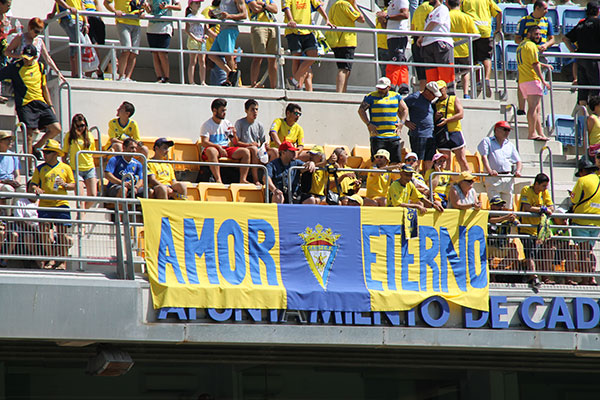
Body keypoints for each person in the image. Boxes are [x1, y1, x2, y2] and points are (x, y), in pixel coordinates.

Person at [0, 45, 62, 161]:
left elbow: (44, 87)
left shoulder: (40, 67)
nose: (26, 60)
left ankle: (37, 147)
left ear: (34, 57)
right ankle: (29, 166)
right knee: (28, 135)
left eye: (28, 58)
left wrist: (50, 105)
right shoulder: (15, 67)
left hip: (40, 102)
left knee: (56, 128)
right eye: (24, 57)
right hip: (25, 104)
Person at [30, 139, 76, 270]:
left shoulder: (65, 168)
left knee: (62, 234)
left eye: (48, 152)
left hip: (61, 204)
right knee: (44, 233)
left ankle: (62, 261)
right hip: (45, 204)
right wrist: (36, 188)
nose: (45, 155)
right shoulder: (40, 168)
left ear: (56, 154)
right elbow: (33, 184)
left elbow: (73, 185)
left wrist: (65, 185)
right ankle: (50, 258)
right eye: (44, 152)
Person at [283, 0, 334, 90]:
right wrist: (291, 20)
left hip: (308, 30)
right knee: (297, 58)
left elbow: (318, 5)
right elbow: (286, 7)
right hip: (293, 30)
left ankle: (294, 81)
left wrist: (327, 19)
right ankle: (296, 85)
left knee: (313, 55)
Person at [515, 0, 555, 114]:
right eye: (545, 9)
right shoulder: (524, 20)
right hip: (528, 53)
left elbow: (552, 39)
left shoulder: (547, 22)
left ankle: (537, 108)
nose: (547, 11)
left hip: (541, 55)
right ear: (537, 8)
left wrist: (546, 45)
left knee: (538, 82)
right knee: (521, 80)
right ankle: (521, 108)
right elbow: (517, 38)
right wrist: (530, 45)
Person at [358, 77, 409, 164]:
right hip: (377, 136)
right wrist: (368, 123)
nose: (380, 90)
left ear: (389, 87)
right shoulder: (370, 97)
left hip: (393, 135)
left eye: (383, 88)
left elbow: (405, 109)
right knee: (377, 162)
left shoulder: (396, 96)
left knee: (395, 161)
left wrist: (402, 123)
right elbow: (361, 110)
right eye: (379, 88)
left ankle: (392, 177)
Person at [199, 98, 251, 183]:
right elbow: (204, 142)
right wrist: (218, 147)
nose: (224, 113)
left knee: (245, 152)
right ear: (215, 110)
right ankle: (218, 179)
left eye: (225, 110)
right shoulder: (207, 125)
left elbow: (234, 142)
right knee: (212, 151)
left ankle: (243, 179)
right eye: (222, 110)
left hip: (225, 148)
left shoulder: (227, 123)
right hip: (212, 148)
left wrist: (234, 134)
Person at [518, 173, 554, 288]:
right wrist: (542, 209)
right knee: (530, 253)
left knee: (535, 253)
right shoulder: (526, 190)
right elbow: (527, 207)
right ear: (536, 184)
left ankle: (529, 275)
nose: (545, 188)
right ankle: (534, 277)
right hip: (525, 227)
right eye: (543, 186)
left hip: (539, 229)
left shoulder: (545, 193)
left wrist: (546, 209)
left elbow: (551, 207)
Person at [517, 25, 552, 141]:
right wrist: (543, 81)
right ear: (528, 34)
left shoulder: (521, 45)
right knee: (533, 108)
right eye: (535, 34)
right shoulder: (531, 46)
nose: (538, 36)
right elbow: (534, 64)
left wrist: (544, 65)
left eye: (539, 34)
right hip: (532, 79)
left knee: (537, 108)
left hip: (523, 81)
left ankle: (540, 133)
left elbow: (530, 61)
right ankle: (532, 133)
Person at [460, 0, 501, 97]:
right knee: (486, 57)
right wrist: (498, 29)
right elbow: (499, 12)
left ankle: (478, 82)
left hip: (472, 32)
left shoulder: (465, 1)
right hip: (485, 31)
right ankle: (486, 79)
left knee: (474, 59)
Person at [4, 17, 65, 82]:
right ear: (30, 28)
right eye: (36, 31)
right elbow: (7, 52)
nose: (37, 34)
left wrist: (58, 72)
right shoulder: (20, 38)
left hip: (32, 73)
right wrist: (18, 56)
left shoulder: (40, 42)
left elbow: (47, 59)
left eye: (40, 32)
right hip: (19, 71)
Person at [478, 121, 522, 209]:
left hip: (507, 178)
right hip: (494, 177)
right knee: (495, 205)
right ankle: (495, 221)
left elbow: (518, 161)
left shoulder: (510, 145)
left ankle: (505, 221)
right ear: (496, 130)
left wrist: (518, 171)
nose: (507, 132)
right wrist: (489, 170)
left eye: (509, 130)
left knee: (507, 205)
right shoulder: (487, 141)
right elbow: (484, 157)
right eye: (505, 129)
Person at [570, 156, 600, 285]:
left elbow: (574, 199)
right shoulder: (598, 179)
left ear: (582, 171)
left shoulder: (582, 180)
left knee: (583, 253)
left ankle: (586, 279)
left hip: (582, 220)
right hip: (596, 221)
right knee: (589, 250)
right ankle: (591, 277)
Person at [564, 1, 600, 106]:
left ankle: (583, 118)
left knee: (583, 91)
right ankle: (596, 117)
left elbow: (566, 38)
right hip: (594, 60)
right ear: (597, 11)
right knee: (596, 89)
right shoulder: (598, 23)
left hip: (581, 60)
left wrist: (573, 51)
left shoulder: (581, 24)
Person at [327, 0, 364, 93]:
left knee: (344, 68)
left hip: (337, 41)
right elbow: (361, 18)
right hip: (346, 41)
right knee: (344, 69)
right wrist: (354, 5)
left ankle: (342, 92)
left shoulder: (334, 5)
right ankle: (340, 93)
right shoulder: (345, 4)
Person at [207, 0, 247, 86]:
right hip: (222, 30)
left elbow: (244, 15)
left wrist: (229, 16)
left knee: (228, 55)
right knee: (211, 55)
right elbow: (223, 15)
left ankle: (231, 81)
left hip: (230, 29)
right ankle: (231, 74)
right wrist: (214, 14)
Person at [403, 81, 440, 171]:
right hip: (418, 134)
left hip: (430, 135)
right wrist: (405, 122)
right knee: (417, 160)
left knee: (429, 160)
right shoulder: (414, 97)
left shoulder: (430, 102)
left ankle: (426, 181)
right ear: (427, 92)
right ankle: (415, 179)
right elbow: (400, 107)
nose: (434, 97)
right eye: (433, 95)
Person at [62, 113, 97, 209]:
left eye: (82, 125)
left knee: (93, 196)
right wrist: (67, 169)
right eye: (78, 126)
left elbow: (92, 153)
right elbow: (64, 154)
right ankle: (81, 222)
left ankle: (81, 214)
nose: (80, 128)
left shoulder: (90, 136)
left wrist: (106, 153)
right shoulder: (70, 136)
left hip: (89, 168)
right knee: (80, 198)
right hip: (76, 169)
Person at [104, 0, 145, 81]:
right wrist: (115, 11)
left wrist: (143, 12)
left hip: (136, 23)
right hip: (123, 21)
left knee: (134, 52)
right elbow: (106, 2)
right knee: (126, 49)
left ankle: (128, 77)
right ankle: (121, 76)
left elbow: (142, 7)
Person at [417, 0, 454, 86]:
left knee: (445, 72)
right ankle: (433, 94)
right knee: (431, 75)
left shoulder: (442, 8)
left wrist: (422, 36)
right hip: (428, 44)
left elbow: (435, 22)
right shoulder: (432, 12)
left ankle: (449, 94)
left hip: (439, 42)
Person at [144, 0, 181, 83]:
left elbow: (179, 7)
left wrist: (167, 6)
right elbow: (149, 10)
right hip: (152, 28)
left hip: (165, 27)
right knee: (155, 54)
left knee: (162, 53)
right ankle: (159, 77)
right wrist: (146, 6)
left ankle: (166, 77)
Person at [434, 80, 468, 171]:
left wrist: (447, 120)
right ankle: (447, 181)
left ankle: (468, 178)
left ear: (445, 88)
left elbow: (460, 114)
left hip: (454, 132)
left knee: (461, 158)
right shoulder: (435, 103)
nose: (439, 92)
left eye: (441, 89)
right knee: (445, 160)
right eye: (437, 90)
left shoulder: (453, 99)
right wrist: (436, 117)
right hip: (441, 133)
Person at [447, 0, 477, 98]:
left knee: (452, 74)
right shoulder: (467, 17)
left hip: (450, 50)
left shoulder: (447, 16)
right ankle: (466, 93)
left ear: (447, 3)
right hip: (464, 50)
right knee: (465, 72)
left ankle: (452, 94)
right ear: (460, 4)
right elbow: (474, 33)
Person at [246, 0, 278, 88]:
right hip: (258, 25)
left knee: (273, 58)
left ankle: (273, 86)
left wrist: (263, 5)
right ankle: (253, 83)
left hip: (272, 26)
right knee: (258, 56)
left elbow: (275, 9)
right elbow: (255, 8)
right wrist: (268, 7)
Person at [234, 99, 267, 183]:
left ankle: (269, 179)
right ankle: (256, 179)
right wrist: (249, 144)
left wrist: (265, 147)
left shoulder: (259, 125)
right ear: (246, 110)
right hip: (244, 148)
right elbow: (236, 142)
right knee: (254, 149)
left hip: (257, 149)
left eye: (256, 109)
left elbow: (263, 141)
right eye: (252, 109)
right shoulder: (240, 123)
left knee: (274, 151)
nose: (255, 112)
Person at [487, 195, 520, 281]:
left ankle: (496, 271)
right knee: (487, 254)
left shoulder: (506, 216)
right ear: (492, 206)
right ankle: (492, 276)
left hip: (501, 245)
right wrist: (505, 217)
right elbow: (490, 220)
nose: (500, 207)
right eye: (498, 205)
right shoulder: (487, 215)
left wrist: (513, 220)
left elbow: (517, 223)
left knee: (513, 249)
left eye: (502, 205)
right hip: (488, 245)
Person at [54, 0, 88, 78]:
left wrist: (86, 22)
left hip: (78, 19)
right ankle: (78, 73)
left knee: (74, 46)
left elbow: (81, 5)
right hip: (69, 18)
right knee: (81, 44)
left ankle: (75, 73)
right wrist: (68, 8)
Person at [381, 0, 409, 94]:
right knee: (397, 61)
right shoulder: (391, 3)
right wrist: (382, 20)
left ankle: (393, 87)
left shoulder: (401, 0)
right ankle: (402, 86)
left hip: (399, 36)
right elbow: (387, 25)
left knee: (396, 61)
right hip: (391, 36)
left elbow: (405, 15)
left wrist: (387, 17)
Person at [411, 0, 433, 91]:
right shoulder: (432, 8)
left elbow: (412, 27)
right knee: (430, 71)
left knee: (421, 74)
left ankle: (422, 92)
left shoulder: (418, 9)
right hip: (426, 40)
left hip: (416, 40)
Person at [186, 0, 208, 85]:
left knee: (202, 61)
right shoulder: (189, 16)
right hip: (193, 40)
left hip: (202, 40)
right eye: (196, 3)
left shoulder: (202, 17)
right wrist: (195, 38)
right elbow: (187, 30)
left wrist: (205, 35)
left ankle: (203, 81)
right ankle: (191, 81)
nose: (198, 5)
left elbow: (205, 29)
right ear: (190, 5)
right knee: (193, 61)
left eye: (199, 3)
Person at [0, 130, 23, 201]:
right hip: (2, 182)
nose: (11, 141)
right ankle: (7, 212)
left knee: (22, 190)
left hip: (10, 182)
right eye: (7, 139)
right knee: (8, 189)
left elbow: (17, 174)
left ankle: (15, 211)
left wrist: (16, 181)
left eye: (11, 139)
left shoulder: (13, 155)